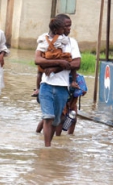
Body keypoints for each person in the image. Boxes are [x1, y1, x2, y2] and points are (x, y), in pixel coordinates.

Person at [34, 14, 81, 147]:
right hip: (46, 85)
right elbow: (37, 60)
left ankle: (49, 145)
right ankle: (47, 149)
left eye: (70, 25)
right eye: (66, 25)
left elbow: (77, 64)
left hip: (62, 87)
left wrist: (55, 67)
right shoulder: (45, 39)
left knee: (57, 120)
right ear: (57, 27)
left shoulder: (72, 42)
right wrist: (61, 62)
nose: (69, 28)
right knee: (48, 117)